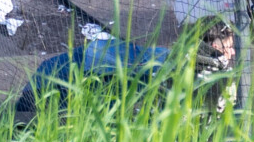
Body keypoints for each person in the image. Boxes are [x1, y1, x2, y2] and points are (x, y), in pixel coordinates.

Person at [16, 18, 237, 120]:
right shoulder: (181, 68)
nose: (233, 53)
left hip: (55, 78)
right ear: (214, 45)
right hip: (51, 90)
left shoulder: (173, 59)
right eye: (229, 47)